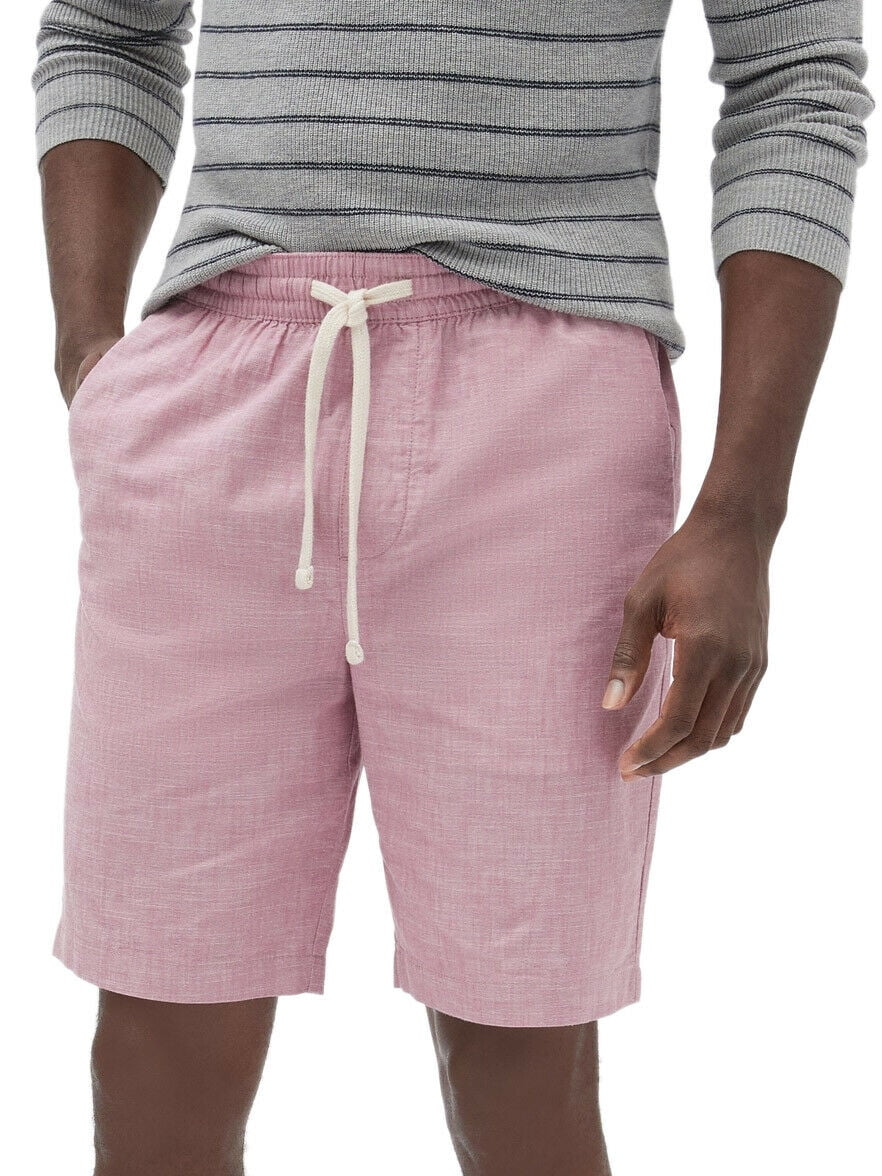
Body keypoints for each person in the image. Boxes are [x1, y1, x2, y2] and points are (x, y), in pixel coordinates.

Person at [33, 3, 872, 1174]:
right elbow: (106, 27)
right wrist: (89, 350)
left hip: (547, 422)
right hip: (212, 400)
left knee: (522, 1052)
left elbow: (795, 76)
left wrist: (743, 512)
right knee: (159, 1040)